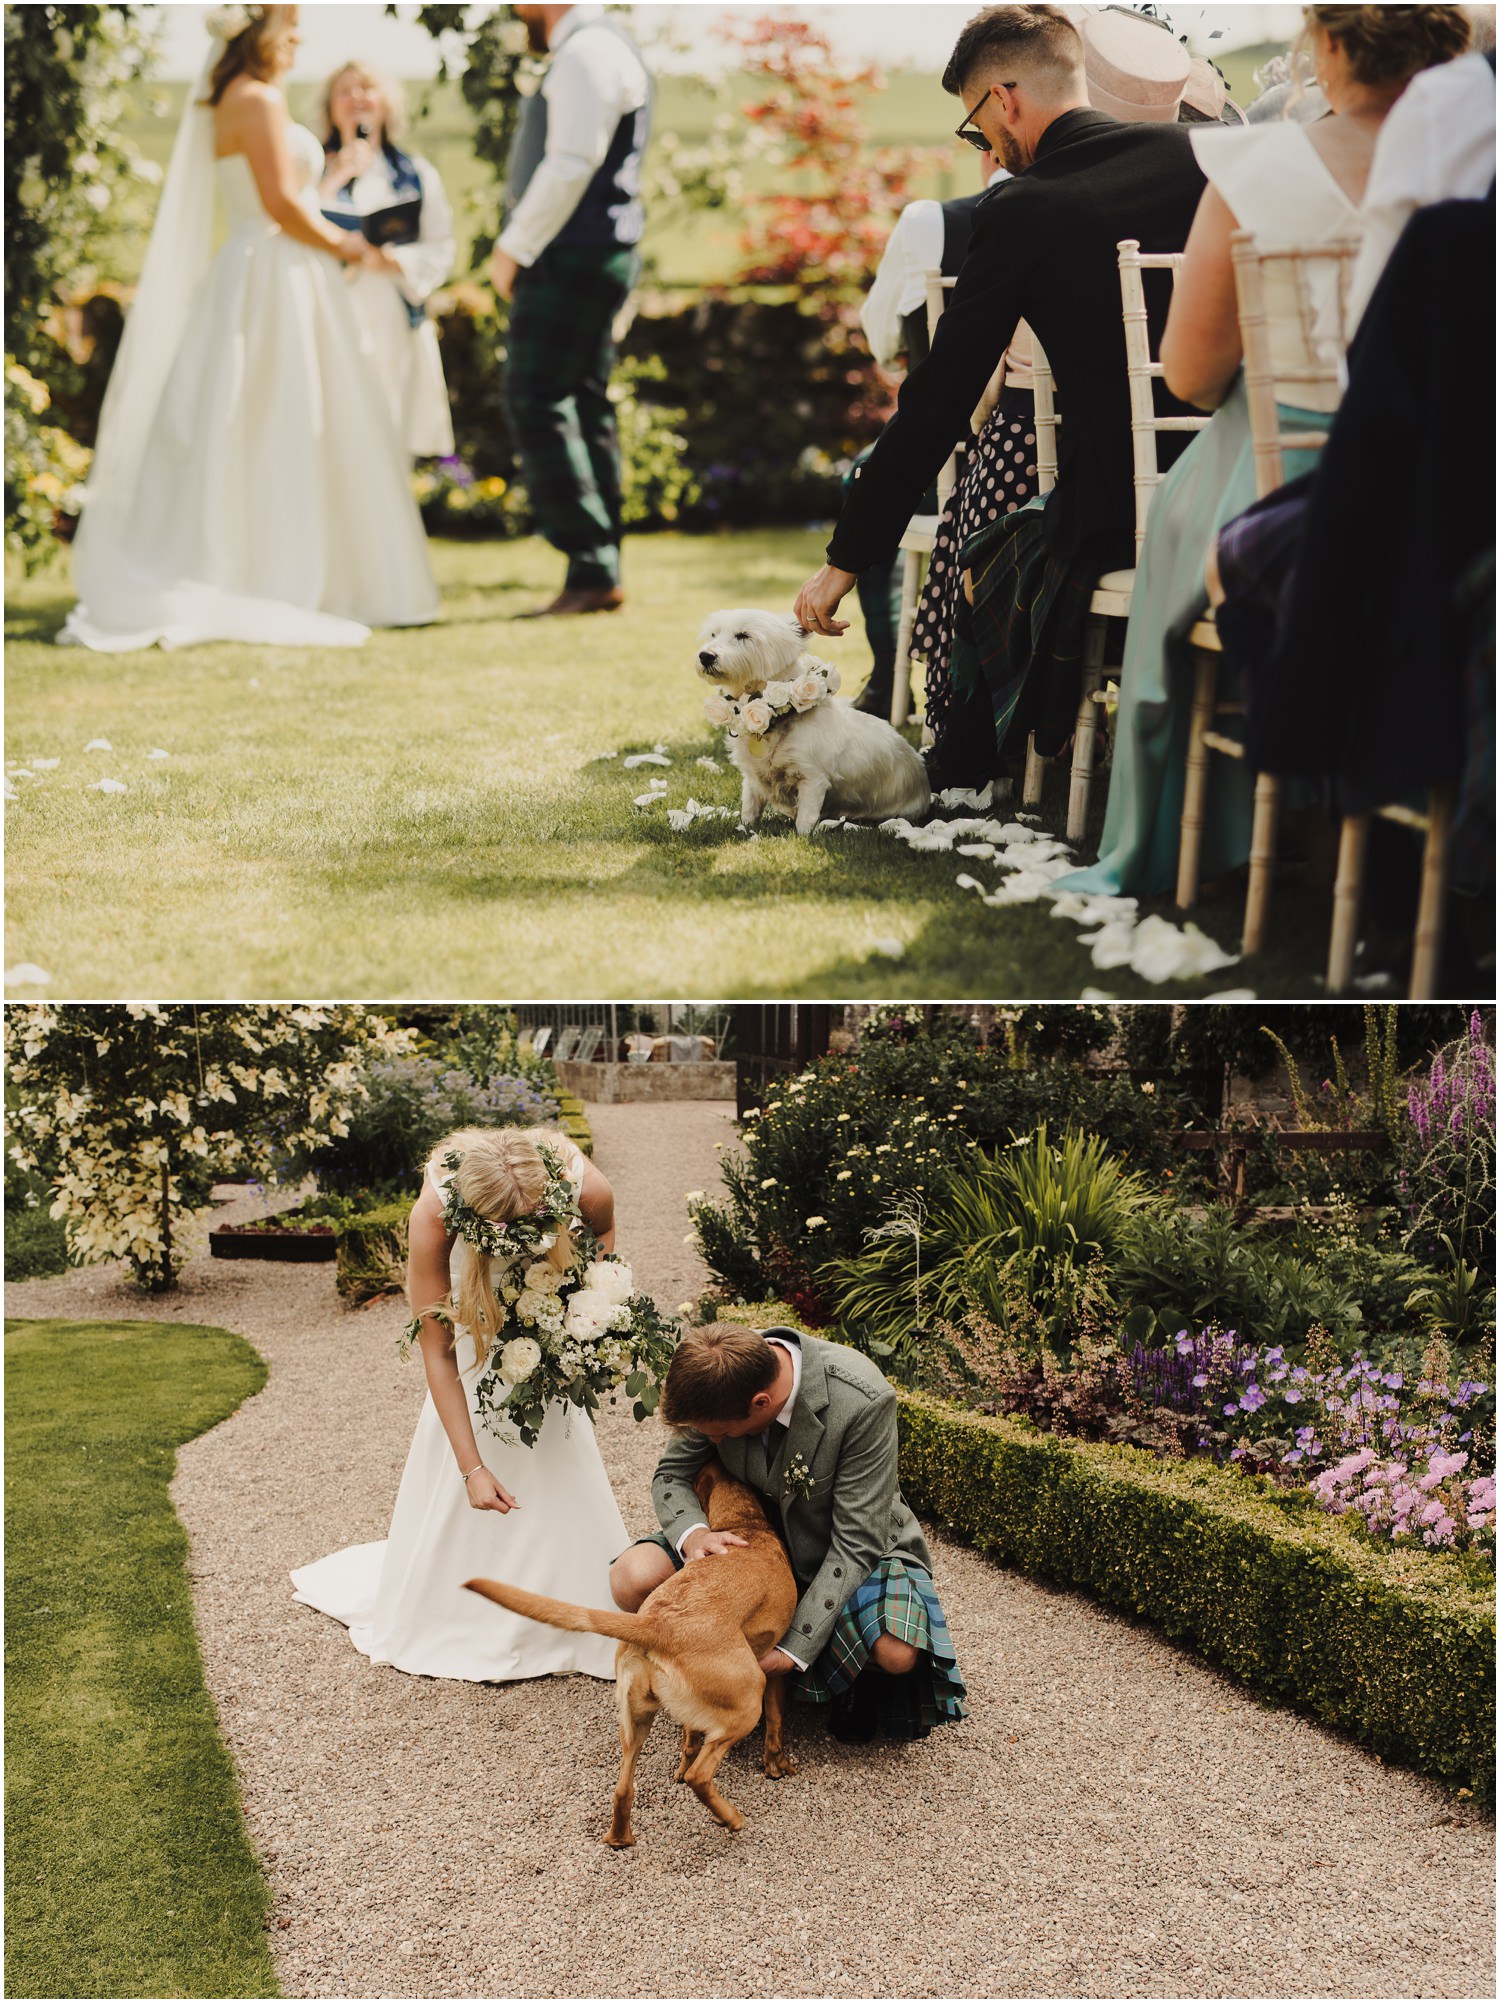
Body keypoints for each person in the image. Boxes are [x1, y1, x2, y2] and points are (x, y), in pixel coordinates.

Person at [1059, 3, 1474, 903]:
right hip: (1454, 484)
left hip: (1269, 479)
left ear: (1323, 46)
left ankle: (1209, 831)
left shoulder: (1259, 169)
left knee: (1186, 499)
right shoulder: (1475, 176)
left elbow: (1194, 374)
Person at [794, 4, 1206, 793]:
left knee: (991, 547)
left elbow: (940, 401)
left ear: (1005, 99)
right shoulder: (1209, 157)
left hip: (1117, 514)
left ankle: (977, 744)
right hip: (1243, 482)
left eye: (976, 127)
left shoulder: (1022, 208)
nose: (985, 147)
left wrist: (845, 561)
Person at [59, 4, 438, 653]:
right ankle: (275, 570)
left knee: (263, 415)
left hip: (266, 265)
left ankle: (296, 565)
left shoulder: (238, 96)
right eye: (288, 26)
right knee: (280, 414)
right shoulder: (256, 97)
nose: (298, 37)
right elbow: (283, 207)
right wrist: (344, 245)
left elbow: (288, 194)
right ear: (258, 32)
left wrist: (331, 194)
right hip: (274, 269)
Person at [291, 1127, 629, 1682]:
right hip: (474, 1339)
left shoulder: (583, 1183)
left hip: (546, 1327)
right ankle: (459, 1608)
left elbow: (606, 1232)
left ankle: (569, 1603)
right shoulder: (434, 1211)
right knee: (475, 1465)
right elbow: (439, 1350)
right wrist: (470, 1467)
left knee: (553, 1455)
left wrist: (585, 1305)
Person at [609, 1321, 967, 1745]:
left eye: (719, 1434)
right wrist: (695, 1535)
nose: (713, 1440)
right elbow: (672, 1474)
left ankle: (849, 1679)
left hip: (840, 1543)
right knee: (631, 1577)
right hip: (749, 1540)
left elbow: (856, 1543)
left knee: (896, 1650)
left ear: (761, 1403)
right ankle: (716, 1673)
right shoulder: (716, 1375)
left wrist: (795, 1647)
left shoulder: (863, 1399)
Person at [491, 2, 652, 619]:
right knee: (582, 401)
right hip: (594, 250)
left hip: (571, 253)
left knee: (536, 395)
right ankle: (598, 562)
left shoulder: (587, 51)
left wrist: (513, 246)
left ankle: (590, 564)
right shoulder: (602, 45)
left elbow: (571, 161)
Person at [851, 145, 1017, 721]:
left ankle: (886, 675)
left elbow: (881, 337)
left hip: (957, 461)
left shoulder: (933, 221)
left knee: (864, 481)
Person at [318, 61, 456, 459]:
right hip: (334, 311)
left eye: (366, 88)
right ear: (330, 108)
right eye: (344, 91)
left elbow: (441, 245)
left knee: (389, 431)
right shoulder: (315, 170)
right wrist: (334, 182)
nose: (357, 98)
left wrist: (391, 259)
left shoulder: (415, 174)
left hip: (392, 312)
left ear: (385, 104)